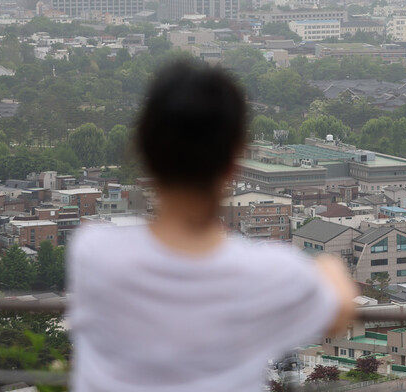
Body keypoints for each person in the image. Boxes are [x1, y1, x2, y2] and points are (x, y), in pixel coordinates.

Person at [67, 60, 357, 391]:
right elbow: (340, 309)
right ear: (235, 160)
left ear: (145, 150)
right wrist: (329, 265)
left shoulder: (93, 252)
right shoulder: (269, 273)